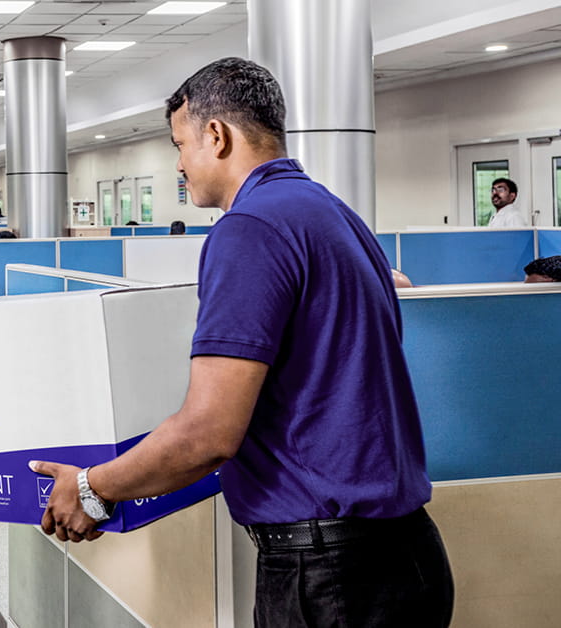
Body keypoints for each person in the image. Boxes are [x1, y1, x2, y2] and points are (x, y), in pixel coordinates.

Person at [31, 57, 453, 626]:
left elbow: (209, 433)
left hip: (330, 578)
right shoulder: (333, 213)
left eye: (180, 145)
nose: (179, 165)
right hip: (405, 555)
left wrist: (91, 488)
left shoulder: (250, 228)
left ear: (216, 135)